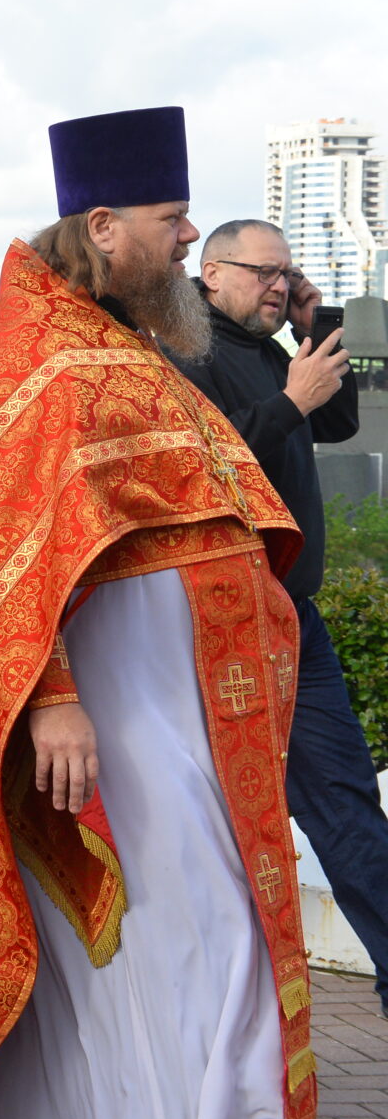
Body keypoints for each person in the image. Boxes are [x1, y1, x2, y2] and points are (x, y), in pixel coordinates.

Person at [0, 107, 317, 1119]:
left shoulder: (116, 342)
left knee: (206, 941)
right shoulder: (33, 352)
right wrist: (52, 700)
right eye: (173, 216)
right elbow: (1, 544)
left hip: (184, 714)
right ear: (103, 224)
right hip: (112, 722)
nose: (188, 238)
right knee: (191, 943)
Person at [170, 218, 388, 1019]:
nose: (276, 283)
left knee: (343, 795)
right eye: (264, 272)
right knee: (232, 818)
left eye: (285, 272)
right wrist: (289, 400)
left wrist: (316, 324)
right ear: (212, 271)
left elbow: (336, 422)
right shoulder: (182, 350)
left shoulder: (264, 344)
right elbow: (203, 470)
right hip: (226, 619)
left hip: (294, 615)